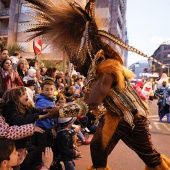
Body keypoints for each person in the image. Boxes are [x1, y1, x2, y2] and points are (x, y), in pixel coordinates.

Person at [24, 0, 170, 169]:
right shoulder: (93, 73)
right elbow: (87, 101)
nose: (73, 63)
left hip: (132, 119)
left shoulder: (108, 68)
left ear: (86, 53)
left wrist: (61, 111)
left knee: (151, 158)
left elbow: (92, 103)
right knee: (97, 150)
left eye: (75, 59)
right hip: (113, 117)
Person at [1, 86, 57, 169]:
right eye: (23, 94)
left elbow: (36, 110)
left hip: (24, 143)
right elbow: (17, 121)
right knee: (18, 164)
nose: (26, 95)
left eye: (26, 93)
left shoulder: (25, 107)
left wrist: (48, 110)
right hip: (17, 145)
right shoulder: (10, 109)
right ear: (15, 99)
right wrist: (38, 117)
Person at [33, 80, 56, 152]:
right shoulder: (42, 100)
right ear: (42, 90)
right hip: (42, 127)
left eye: (51, 89)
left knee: (48, 145)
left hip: (48, 126)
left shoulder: (51, 99)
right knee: (42, 147)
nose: (49, 91)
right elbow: (40, 111)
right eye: (47, 90)